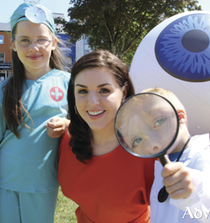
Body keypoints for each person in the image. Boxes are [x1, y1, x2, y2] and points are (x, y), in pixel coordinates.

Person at [0, 3, 70, 223]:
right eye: (24, 40)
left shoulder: (70, 84)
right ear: (14, 45)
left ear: (53, 42)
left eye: (41, 39)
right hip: (4, 188)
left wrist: (67, 125)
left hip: (43, 187)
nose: (33, 47)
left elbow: (88, 124)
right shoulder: (3, 91)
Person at [58, 50, 156, 223]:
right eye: (82, 91)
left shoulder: (148, 150)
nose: (93, 101)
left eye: (104, 90)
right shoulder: (66, 139)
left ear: (124, 92)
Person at [141, 87, 210, 223]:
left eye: (158, 122)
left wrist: (194, 186)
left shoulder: (203, 156)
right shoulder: (161, 159)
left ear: (180, 118)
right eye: (145, 129)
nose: (152, 134)